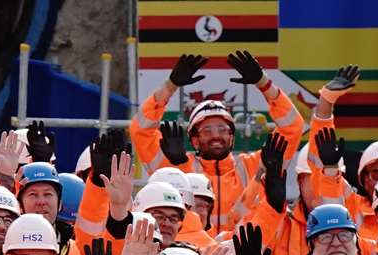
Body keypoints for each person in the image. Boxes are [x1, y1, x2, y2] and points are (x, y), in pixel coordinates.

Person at [131, 52, 305, 232]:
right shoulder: (172, 166)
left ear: (232, 137)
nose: (216, 136)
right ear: (195, 140)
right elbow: (140, 129)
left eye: (223, 129)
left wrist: (263, 83)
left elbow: (293, 126)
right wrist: (170, 86)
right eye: (207, 130)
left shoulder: (254, 166)